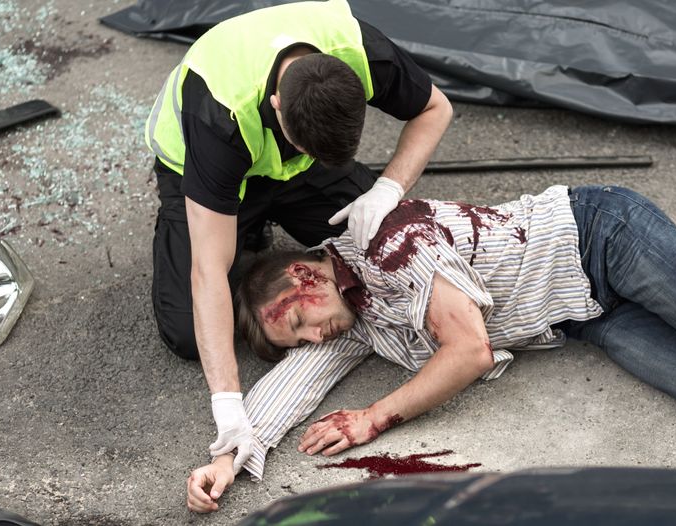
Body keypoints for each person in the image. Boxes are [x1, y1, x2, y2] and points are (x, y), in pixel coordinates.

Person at [184, 184, 676, 512]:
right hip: (586, 313)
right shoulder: (353, 318)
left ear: (304, 277)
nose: (313, 339)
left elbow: (469, 351)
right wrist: (227, 456)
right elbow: (297, 383)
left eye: (300, 324)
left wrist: (375, 417)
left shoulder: (389, 243)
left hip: (605, 238)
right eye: (298, 340)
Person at [146, 0, 453, 473]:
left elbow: (435, 108)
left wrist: (387, 189)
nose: (315, 339)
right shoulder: (221, 114)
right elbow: (208, 269)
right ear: (277, 106)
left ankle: (268, 217)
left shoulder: (361, 52)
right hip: (210, 169)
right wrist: (228, 405)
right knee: (189, 330)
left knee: (380, 245)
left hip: (302, 168)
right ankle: (243, 227)